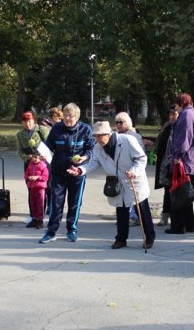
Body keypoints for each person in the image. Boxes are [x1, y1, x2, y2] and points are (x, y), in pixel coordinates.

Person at [68, 121, 155, 249]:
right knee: (121, 209)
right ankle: (121, 238)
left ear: (108, 134)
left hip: (133, 179)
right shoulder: (98, 147)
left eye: (100, 135)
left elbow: (141, 158)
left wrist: (134, 171)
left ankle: (149, 236)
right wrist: (80, 170)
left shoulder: (127, 140)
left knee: (141, 209)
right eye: (96, 136)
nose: (98, 139)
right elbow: (94, 163)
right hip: (116, 182)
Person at [39, 103, 95, 243]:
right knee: (56, 203)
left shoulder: (85, 129)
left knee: (74, 203)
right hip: (58, 172)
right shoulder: (57, 128)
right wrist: (43, 155)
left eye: (71, 116)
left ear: (77, 117)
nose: (67, 118)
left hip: (77, 172)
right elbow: (48, 147)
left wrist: (85, 157)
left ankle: (72, 230)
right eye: (65, 115)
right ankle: (51, 232)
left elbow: (91, 149)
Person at [165, 93, 194, 235]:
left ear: (181, 103)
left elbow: (184, 139)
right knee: (187, 194)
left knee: (178, 193)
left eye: (176, 104)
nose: (175, 107)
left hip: (185, 161)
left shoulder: (186, 116)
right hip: (192, 161)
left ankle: (178, 226)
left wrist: (178, 157)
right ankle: (189, 224)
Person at [115, 112, 144, 226]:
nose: (118, 125)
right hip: (121, 171)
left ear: (127, 123)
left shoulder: (134, 136)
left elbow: (140, 155)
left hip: (132, 171)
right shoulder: (117, 135)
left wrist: (134, 170)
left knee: (133, 195)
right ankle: (124, 217)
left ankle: (134, 217)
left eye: (120, 122)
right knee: (122, 195)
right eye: (116, 122)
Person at [155, 107, 178, 226]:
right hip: (165, 164)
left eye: (174, 114)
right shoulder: (166, 126)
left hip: (175, 163)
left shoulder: (180, 127)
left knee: (175, 190)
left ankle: (175, 216)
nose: (172, 116)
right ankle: (165, 215)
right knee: (167, 189)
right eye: (170, 114)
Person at [24, 149, 49, 229]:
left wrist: (37, 177)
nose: (34, 159)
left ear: (39, 157)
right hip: (32, 187)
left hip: (40, 188)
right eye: (32, 157)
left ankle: (40, 220)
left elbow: (45, 177)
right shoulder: (30, 164)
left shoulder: (43, 165)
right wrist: (29, 177)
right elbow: (26, 174)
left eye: (36, 157)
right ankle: (34, 219)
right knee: (33, 203)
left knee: (40, 204)